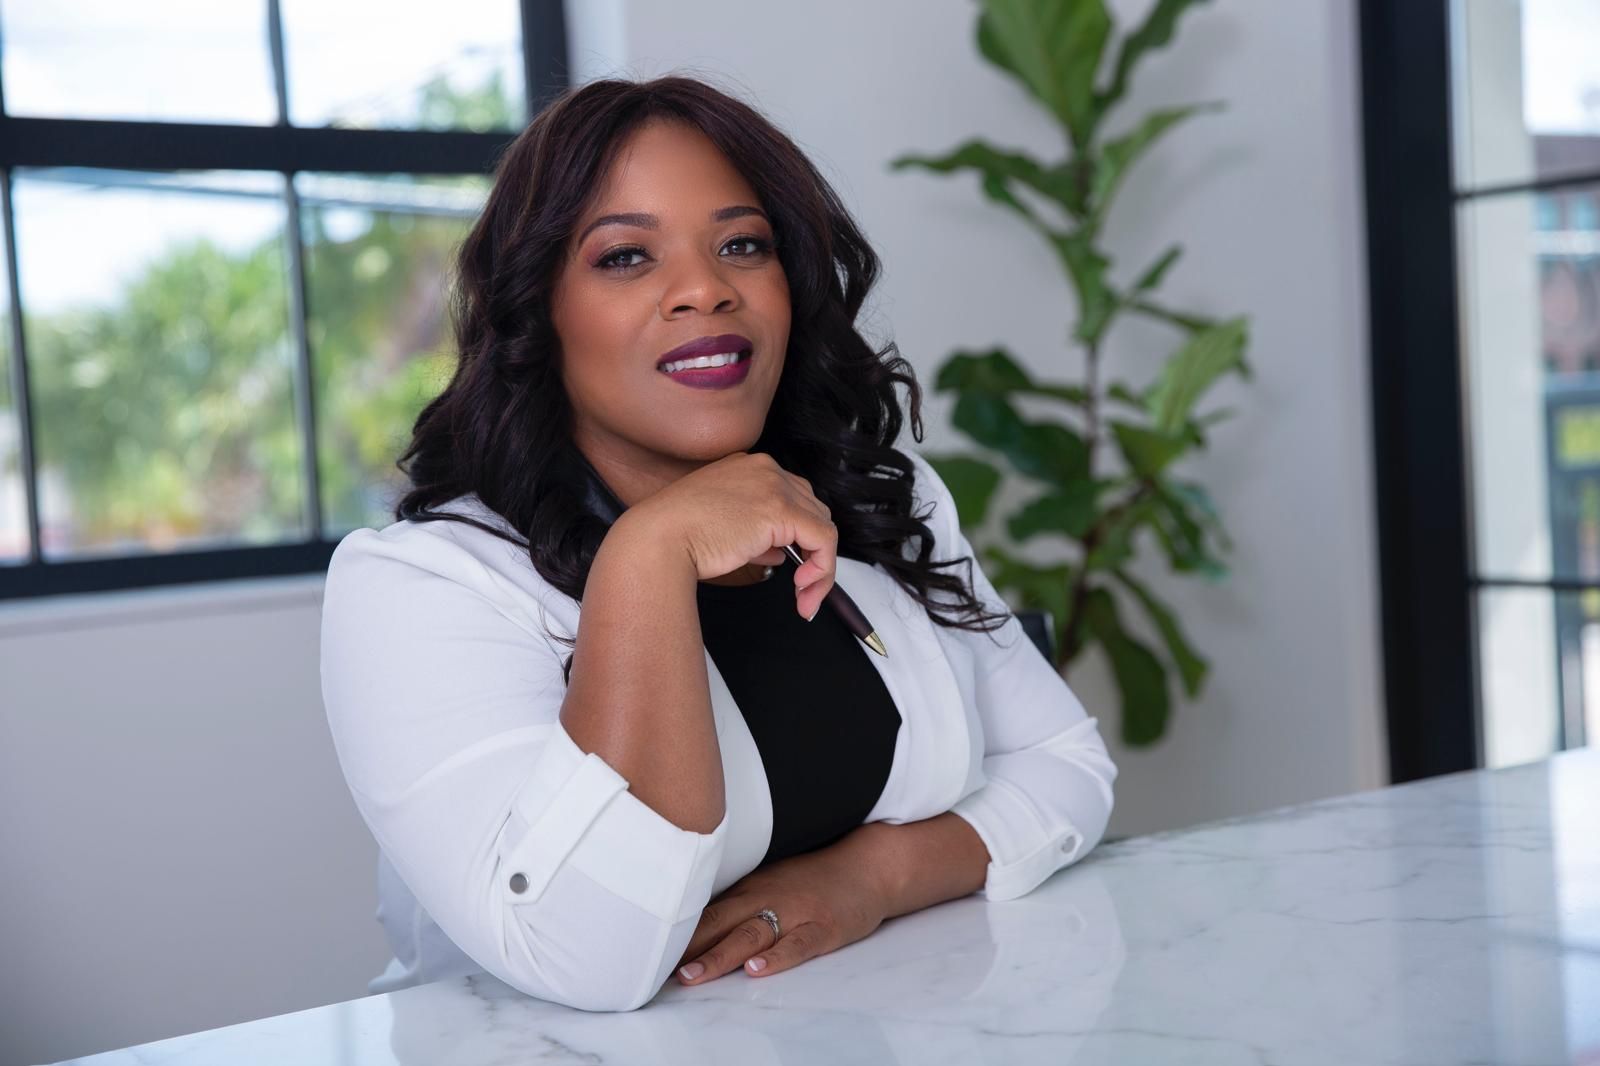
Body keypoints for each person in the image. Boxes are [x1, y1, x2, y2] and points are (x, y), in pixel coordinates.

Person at [319, 74, 1118, 1013]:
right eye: (624, 257)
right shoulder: (422, 588)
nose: (705, 288)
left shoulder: (875, 499)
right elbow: (590, 958)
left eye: (743, 244)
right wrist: (650, 555)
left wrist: (871, 879)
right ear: (538, 311)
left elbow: (1068, 769)